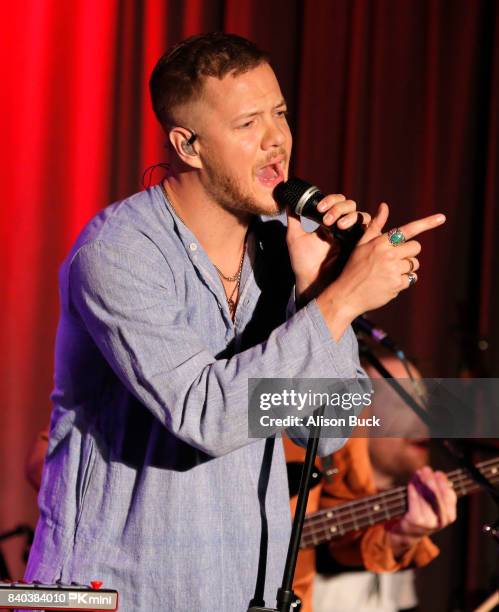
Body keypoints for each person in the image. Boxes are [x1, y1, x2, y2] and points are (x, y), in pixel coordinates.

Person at [24, 33, 446, 611]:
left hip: (239, 590)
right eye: (249, 123)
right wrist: (341, 301)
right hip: (123, 590)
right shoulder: (119, 253)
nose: (277, 141)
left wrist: (317, 290)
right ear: (189, 145)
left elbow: (326, 433)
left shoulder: (279, 252)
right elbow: (205, 415)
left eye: (280, 114)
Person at [286, 353, 457, 612]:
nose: (422, 421)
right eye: (403, 404)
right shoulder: (303, 480)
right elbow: (328, 554)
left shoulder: (405, 506)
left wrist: (402, 537)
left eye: (424, 405)